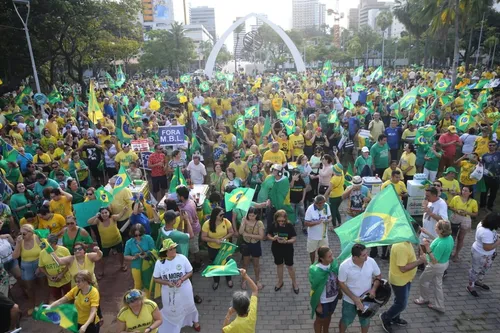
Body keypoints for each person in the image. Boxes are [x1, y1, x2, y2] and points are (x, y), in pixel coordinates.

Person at [379, 222, 427, 333]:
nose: (418, 235)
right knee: (401, 304)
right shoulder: (401, 246)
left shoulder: (406, 240)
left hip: (406, 279)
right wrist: (420, 261)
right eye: (418, 233)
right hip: (400, 280)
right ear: (411, 232)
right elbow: (403, 268)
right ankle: (386, 317)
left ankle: (395, 318)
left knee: (399, 300)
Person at [153, 239, 201, 332]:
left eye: (174, 248)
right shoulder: (160, 263)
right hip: (168, 291)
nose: (174, 250)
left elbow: (190, 271)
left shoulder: (182, 258)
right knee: (171, 309)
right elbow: (156, 278)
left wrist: (181, 280)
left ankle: (195, 321)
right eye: (170, 249)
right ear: (165, 251)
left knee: (189, 305)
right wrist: (167, 283)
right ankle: (174, 325)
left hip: (184, 288)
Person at [338, 243, 382, 333]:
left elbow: (378, 276)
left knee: (365, 321)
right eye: (363, 255)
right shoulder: (344, 266)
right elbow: (341, 283)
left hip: (367, 300)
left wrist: (373, 289)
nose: (367, 257)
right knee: (346, 320)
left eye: (366, 253)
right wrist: (355, 299)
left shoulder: (371, 261)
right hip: (349, 301)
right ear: (355, 257)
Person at [414, 220, 454, 313]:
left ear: (441, 230)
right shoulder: (449, 238)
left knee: (423, 280)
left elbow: (435, 260)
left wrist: (427, 247)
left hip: (435, 266)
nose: (434, 228)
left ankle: (423, 298)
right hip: (444, 264)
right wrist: (427, 233)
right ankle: (439, 305)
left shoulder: (441, 244)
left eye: (436, 227)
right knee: (438, 284)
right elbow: (437, 238)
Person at [87, 206, 129, 278]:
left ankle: (122, 265)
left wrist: (124, 210)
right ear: (100, 214)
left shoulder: (113, 217)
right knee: (103, 258)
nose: (104, 214)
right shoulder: (98, 220)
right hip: (106, 243)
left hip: (117, 240)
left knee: (120, 254)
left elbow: (119, 216)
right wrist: (95, 216)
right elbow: (89, 222)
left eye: (106, 212)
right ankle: (102, 271)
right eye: (102, 213)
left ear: (109, 212)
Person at [466, 212, 500, 297]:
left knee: (485, 268)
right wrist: (498, 241)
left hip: (488, 255)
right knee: (475, 270)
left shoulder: (483, 223)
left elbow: (493, 235)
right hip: (481, 254)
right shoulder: (486, 232)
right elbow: (487, 247)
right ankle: (470, 286)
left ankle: (478, 282)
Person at [11, 223, 43, 314]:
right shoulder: (20, 241)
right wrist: (17, 243)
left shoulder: (37, 237)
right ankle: (33, 305)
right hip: (26, 265)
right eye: (20, 233)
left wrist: (40, 267)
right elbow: (15, 256)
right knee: (29, 287)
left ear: (31, 232)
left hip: (39, 262)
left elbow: (44, 251)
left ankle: (45, 302)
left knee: (43, 284)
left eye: (24, 234)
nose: (21, 236)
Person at [201, 207, 234, 290]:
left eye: (223, 214)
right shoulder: (207, 224)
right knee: (215, 264)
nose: (222, 216)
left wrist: (224, 238)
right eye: (221, 215)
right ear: (215, 216)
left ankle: (229, 279)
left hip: (224, 247)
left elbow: (231, 232)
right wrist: (214, 240)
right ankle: (216, 281)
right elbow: (203, 237)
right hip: (212, 248)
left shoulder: (226, 222)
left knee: (227, 263)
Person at [267, 209, 299, 294]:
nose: (281, 222)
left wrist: (287, 241)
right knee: (279, 265)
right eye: (279, 220)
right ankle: (280, 282)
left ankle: (294, 283)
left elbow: (294, 238)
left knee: (290, 266)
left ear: (285, 219)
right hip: (276, 248)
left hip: (287, 249)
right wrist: (273, 238)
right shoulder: (273, 225)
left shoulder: (289, 226)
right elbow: (268, 234)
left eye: (282, 220)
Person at [310, 246, 340, 333]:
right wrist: (318, 305)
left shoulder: (333, 264)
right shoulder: (315, 271)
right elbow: (314, 289)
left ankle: (326, 331)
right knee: (319, 321)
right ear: (322, 259)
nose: (332, 258)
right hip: (323, 301)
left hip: (333, 299)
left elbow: (337, 278)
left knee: (328, 316)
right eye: (329, 256)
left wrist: (340, 291)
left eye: (332, 255)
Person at [222, 268, 259, 333]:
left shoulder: (236, 324)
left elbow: (223, 331)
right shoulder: (252, 312)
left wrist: (228, 315)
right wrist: (245, 275)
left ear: (235, 309)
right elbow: (255, 290)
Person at [38, 234, 72, 302]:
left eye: (48, 244)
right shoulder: (42, 253)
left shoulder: (64, 250)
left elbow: (70, 263)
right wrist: (48, 276)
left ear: (54, 243)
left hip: (66, 279)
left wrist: (62, 274)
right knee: (57, 299)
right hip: (52, 282)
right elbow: (41, 266)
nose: (45, 246)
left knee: (69, 297)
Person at [124, 224, 156, 294]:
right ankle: (136, 299)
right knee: (137, 284)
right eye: (135, 235)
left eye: (140, 235)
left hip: (147, 264)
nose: (138, 237)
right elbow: (126, 256)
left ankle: (147, 300)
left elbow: (154, 250)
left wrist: (147, 254)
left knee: (147, 284)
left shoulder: (148, 238)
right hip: (136, 265)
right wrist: (134, 257)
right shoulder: (129, 243)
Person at [449, 186, 478, 261]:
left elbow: (475, 214)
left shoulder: (473, 202)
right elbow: (450, 207)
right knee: (452, 237)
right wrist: (457, 211)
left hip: (466, 220)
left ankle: (456, 254)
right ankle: (448, 253)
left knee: (461, 238)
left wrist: (467, 212)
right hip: (455, 218)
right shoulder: (456, 198)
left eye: (466, 191)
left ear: (470, 192)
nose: (464, 192)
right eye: (463, 190)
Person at [176, 185, 202, 269]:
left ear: (182, 197)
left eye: (178, 195)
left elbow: (189, 222)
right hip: (197, 225)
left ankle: (198, 263)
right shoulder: (190, 201)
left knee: (194, 248)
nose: (177, 197)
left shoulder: (186, 208)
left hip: (193, 230)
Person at [238, 207, 265, 290]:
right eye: (249, 215)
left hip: (255, 245)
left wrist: (248, 235)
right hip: (246, 244)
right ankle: (243, 280)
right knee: (245, 264)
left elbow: (261, 236)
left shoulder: (259, 223)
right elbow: (240, 232)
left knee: (256, 264)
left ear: (256, 215)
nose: (251, 217)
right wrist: (243, 223)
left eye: (253, 216)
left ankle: (257, 280)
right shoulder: (245, 220)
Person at [305, 195, 332, 264]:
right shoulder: (310, 209)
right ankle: (312, 264)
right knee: (312, 251)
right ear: (315, 203)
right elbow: (306, 223)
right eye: (319, 204)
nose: (321, 205)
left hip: (323, 235)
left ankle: (322, 265)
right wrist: (316, 222)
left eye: (322, 203)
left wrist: (328, 220)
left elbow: (330, 217)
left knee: (324, 251)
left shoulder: (326, 206)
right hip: (313, 235)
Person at [479, 140, 500, 211]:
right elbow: (481, 165)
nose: (492, 147)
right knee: (484, 192)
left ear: (496, 146)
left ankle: (489, 205)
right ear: (488, 146)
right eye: (490, 145)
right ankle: (482, 205)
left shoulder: (499, 154)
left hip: (496, 177)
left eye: (493, 145)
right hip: (486, 177)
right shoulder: (484, 155)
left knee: (493, 193)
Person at [324, 163, 344, 229]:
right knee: (336, 209)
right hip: (341, 196)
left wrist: (324, 196)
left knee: (333, 211)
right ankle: (340, 223)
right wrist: (336, 156)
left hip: (333, 197)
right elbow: (339, 163)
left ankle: (334, 226)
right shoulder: (342, 174)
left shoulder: (334, 179)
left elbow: (329, 189)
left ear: (335, 171)